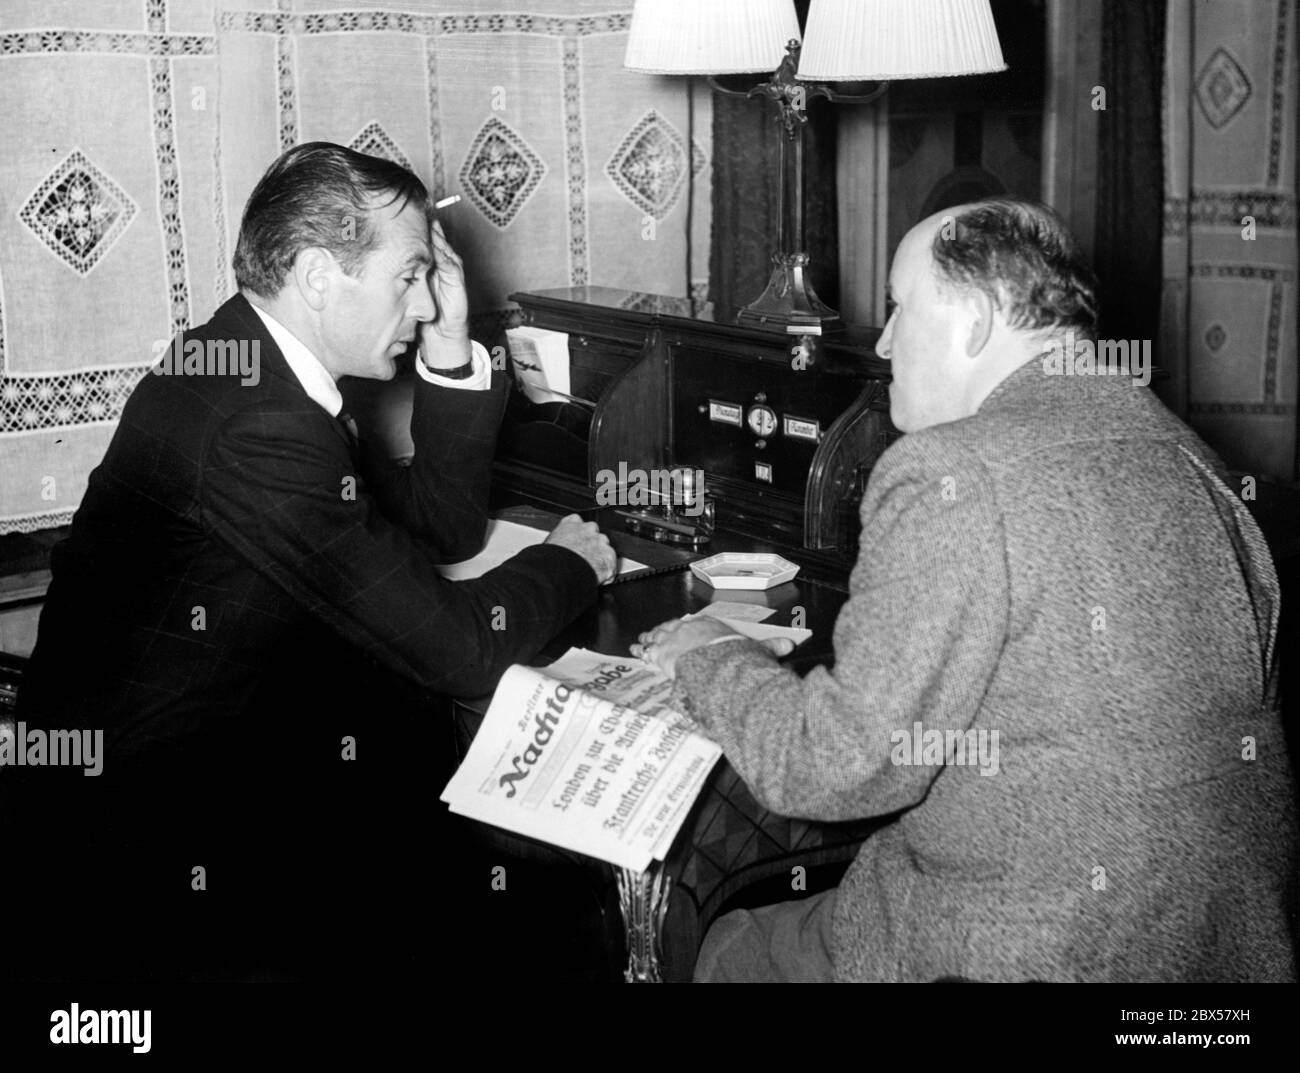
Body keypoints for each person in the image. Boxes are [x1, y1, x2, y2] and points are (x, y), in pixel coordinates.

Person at [633, 197, 1298, 983]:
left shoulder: (954, 469)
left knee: (728, 944)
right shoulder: (1198, 462)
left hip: (1039, 945)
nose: (881, 342)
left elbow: (834, 767)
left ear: (977, 319)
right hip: (1221, 951)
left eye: (897, 307)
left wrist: (710, 651)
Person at [5, 143, 615, 980]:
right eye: (411, 276)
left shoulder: (240, 359)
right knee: (555, 913)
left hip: (193, 769)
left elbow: (438, 530)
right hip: (156, 838)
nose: (426, 296)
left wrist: (449, 339)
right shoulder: (261, 425)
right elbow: (459, 647)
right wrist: (573, 561)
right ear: (321, 276)